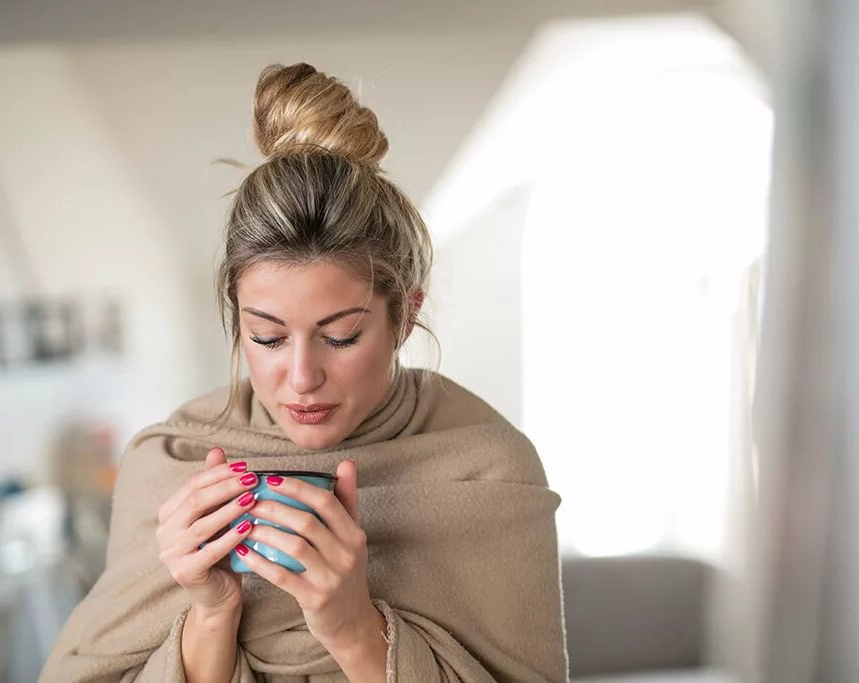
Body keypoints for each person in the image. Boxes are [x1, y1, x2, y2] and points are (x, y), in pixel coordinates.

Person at [40, 62, 569, 683]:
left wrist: (352, 628)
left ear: (406, 316)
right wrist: (211, 614)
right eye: (266, 336)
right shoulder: (169, 465)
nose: (301, 377)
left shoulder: (488, 474)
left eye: (340, 336)